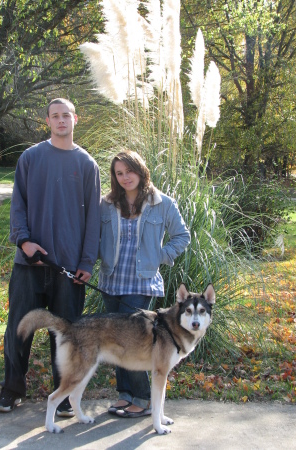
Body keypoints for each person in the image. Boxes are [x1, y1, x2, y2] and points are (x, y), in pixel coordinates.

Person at [0, 98, 101, 417]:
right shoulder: (31, 158)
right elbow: (18, 206)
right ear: (48, 122)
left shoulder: (86, 164)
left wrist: (85, 263)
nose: (61, 120)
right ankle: (11, 390)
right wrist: (24, 242)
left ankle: (64, 394)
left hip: (68, 268)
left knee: (66, 332)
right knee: (19, 327)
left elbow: (93, 219)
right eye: (55, 116)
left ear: (75, 119)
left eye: (65, 115)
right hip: (29, 263)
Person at [98, 150, 190, 418]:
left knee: (134, 343)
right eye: (119, 173)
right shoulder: (107, 203)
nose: (125, 177)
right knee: (116, 342)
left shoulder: (162, 203)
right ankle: (125, 396)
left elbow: (182, 237)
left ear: (140, 170)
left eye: (129, 171)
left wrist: (158, 257)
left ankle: (142, 399)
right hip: (110, 281)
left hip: (141, 283)